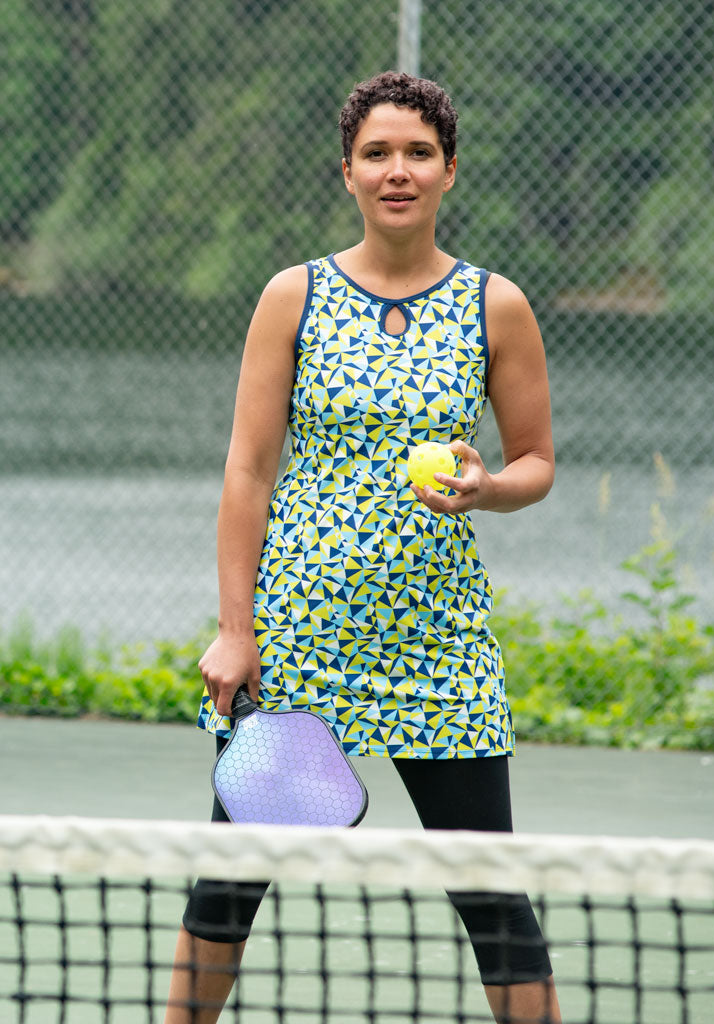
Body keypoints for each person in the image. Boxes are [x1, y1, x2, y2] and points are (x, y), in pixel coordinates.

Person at [164, 71, 561, 1024]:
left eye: (418, 153)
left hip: (440, 648)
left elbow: (537, 462)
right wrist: (236, 632)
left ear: (450, 169)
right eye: (377, 153)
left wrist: (489, 488)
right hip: (299, 644)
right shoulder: (291, 296)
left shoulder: (496, 305)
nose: (398, 171)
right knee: (228, 887)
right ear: (347, 171)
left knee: (493, 897)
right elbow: (247, 473)